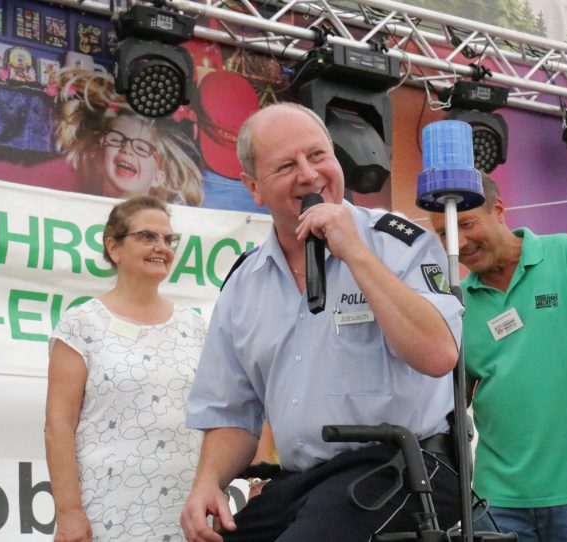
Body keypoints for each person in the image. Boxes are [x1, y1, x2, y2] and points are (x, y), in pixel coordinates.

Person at [181, 102, 465, 542]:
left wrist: (355, 252)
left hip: (405, 468)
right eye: (286, 166)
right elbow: (231, 412)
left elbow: (439, 354)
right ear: (253, 187)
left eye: (318, 156)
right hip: (304, 481)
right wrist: (207, 484)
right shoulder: (243, 283)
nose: (310, 175)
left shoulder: (398, 243)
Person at [430, 176, 567, 542]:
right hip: (496, 499)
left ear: (499, 210)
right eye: (444, 233)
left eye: (466, 223)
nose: (458, 242)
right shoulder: (456, 303)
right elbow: (455, 400)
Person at [45, 195, 206, 541]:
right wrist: (69, 513)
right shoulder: (82, 324)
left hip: (184, 511)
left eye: (168, 239)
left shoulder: (194, 327)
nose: (161, 247)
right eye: (147, 236)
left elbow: (216, 416)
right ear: (113, 247)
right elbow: (58, 426)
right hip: (108, 511)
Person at [54, 69, 204, 205]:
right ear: (99, 159)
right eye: (116, 139)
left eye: (141, 147)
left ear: (157, 177)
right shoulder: (73, 205)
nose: (126, 149)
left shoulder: (170, 223)